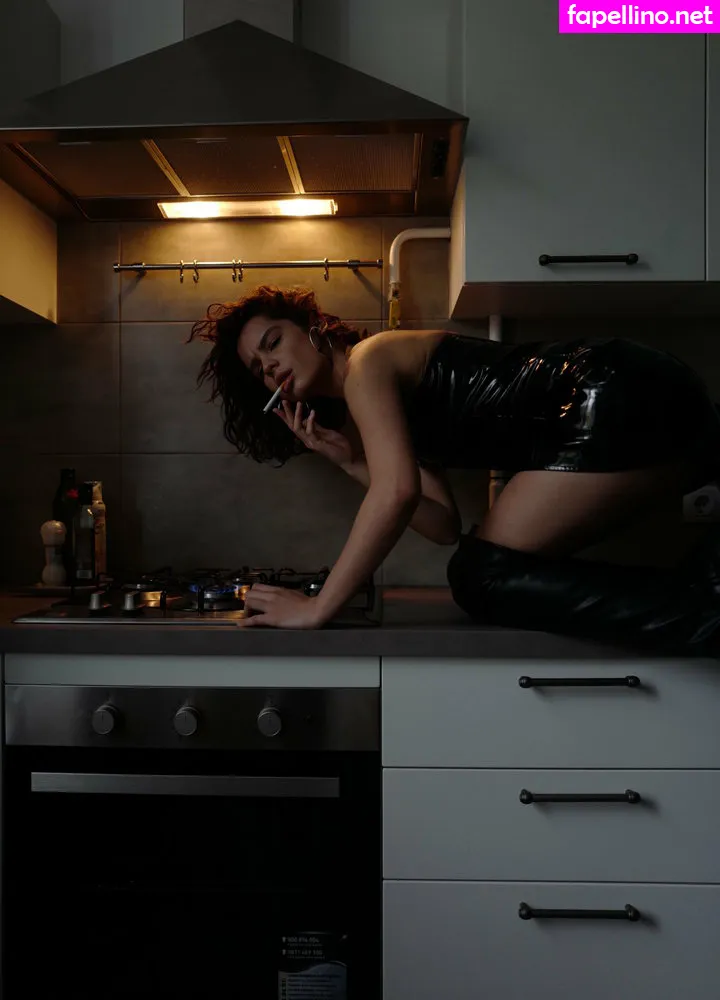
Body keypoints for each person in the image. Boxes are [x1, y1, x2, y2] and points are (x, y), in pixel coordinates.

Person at [188, 284, 720, 653]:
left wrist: (318, 608)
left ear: (314, 327)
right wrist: (350, 461)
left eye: (273, 343)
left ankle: (709, 610)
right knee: (477, 573)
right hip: (628, 393)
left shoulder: (368, 363)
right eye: (259, 370)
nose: (270, 366)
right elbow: (442, 523)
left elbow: (396, 494)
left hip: (608, 386)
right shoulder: (373, 403)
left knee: (481, 574)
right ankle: (705, 595)